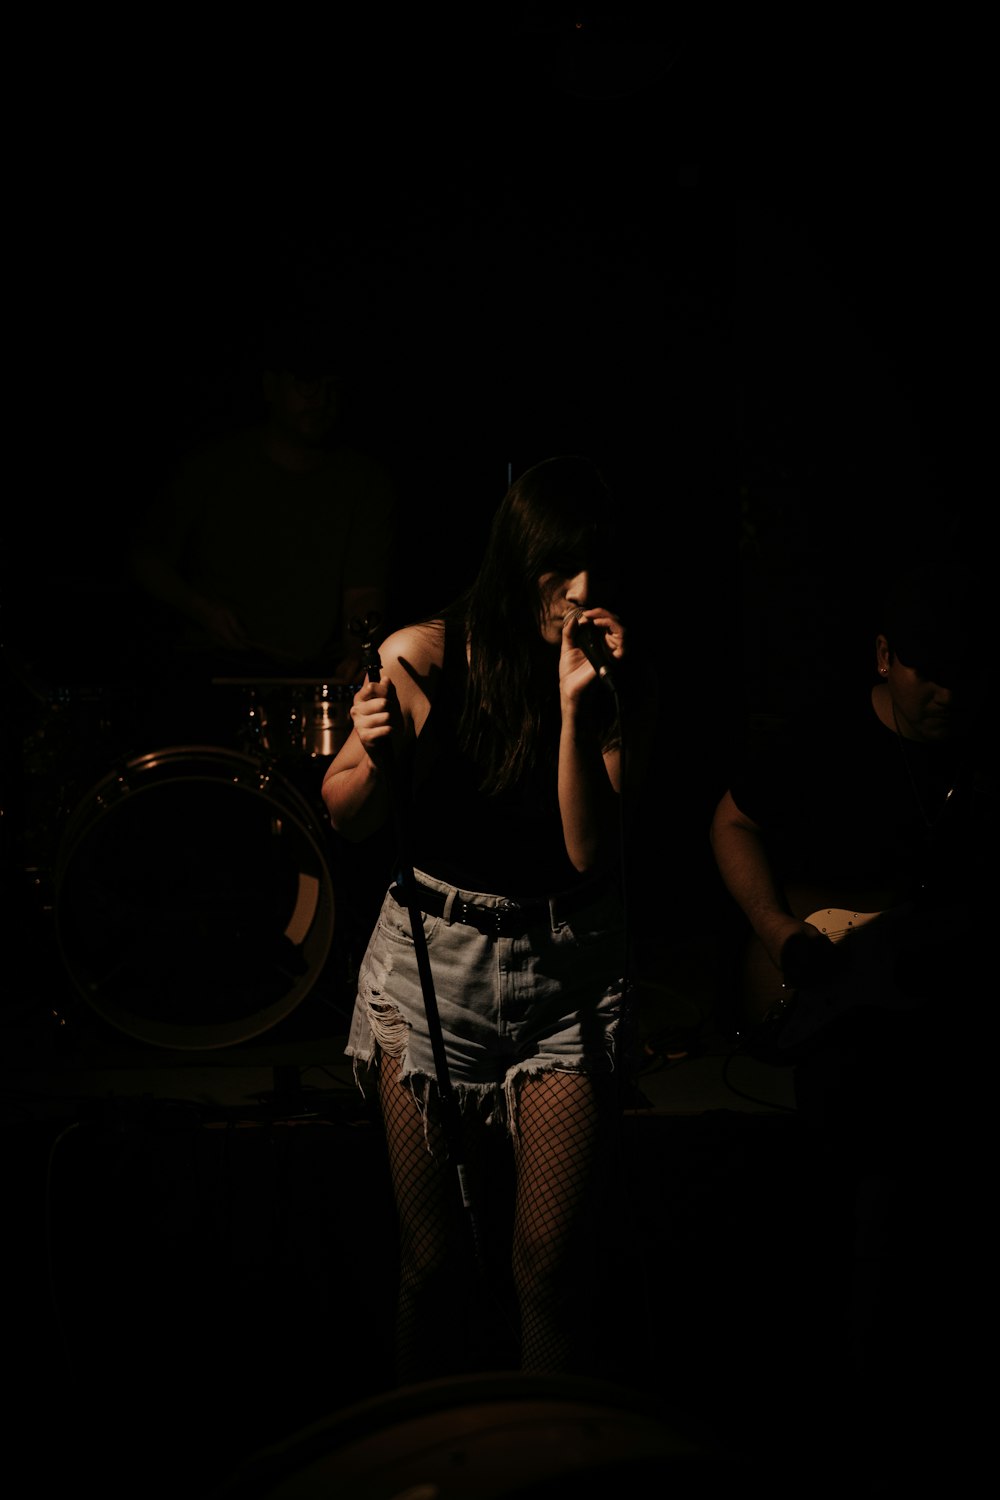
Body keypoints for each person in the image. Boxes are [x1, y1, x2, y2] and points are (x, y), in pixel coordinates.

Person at [320, 455, 654, 1385]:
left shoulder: (609, 668)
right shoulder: (425, 652)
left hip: (568, 971)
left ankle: (542, 1469)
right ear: (519, 560)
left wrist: (578, 712)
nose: (581, 592)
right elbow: (344, 811)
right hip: (437, 961)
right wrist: (381, 756)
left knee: (546, 1271)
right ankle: (423, 1462)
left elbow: (590, 851)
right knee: (432, 1266)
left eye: (596, 569)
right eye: (560, 570)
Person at [707, 545, 998, 1486]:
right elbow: (731, 819)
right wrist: (781, 930)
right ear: (884, 656)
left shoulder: (980, 760)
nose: (945, 692)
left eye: (962, 673)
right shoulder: (820, 739)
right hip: (846, 1029)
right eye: (927, 670)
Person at [128, 313, 398, 747]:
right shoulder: (213, 468)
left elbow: (362, 594)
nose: (321, 400)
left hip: (310, 683)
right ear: (271, 387)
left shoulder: (363, 483)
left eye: (332, 387)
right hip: (212, 678)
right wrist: (201, 609)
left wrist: (356, 654)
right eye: (307, 383)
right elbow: (146, 558)